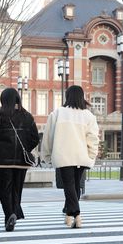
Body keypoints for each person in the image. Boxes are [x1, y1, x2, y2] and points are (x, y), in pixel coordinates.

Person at [42, 85, 99, 229]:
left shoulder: (57, 113)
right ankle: (69, 215)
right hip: (81, 155)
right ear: (82, 97)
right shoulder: (88, 116)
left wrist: (47, 155)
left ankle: (76, 214)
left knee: (69, 185)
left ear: (67, 96)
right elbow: (93, 138)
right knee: (75, 185)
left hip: (63, 155)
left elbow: (48, 136)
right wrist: (92, 155)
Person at [0, 88, 40, 232]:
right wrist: (25, 148)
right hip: (21, 161)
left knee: (4, 189)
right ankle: (13, 213)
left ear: (3, 100)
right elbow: (35, 138)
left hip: (2, 160)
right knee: (17, 189)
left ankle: (10, 214)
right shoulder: (27, 116)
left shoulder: (1, 114)